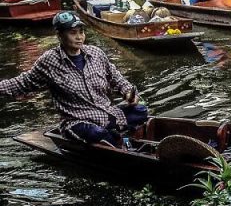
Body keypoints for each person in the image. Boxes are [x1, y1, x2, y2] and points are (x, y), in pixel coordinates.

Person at [0, 11, 143, 144]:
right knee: (96, 133)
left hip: (104, 114)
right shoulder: (49, 61)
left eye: (81, 32)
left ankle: (114, 134)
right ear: (60, 35)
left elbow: (116, 78)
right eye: (73, 33)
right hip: (77, 121)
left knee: (141, 111)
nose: (79, 37)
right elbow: (22, 83)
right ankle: (117, 138)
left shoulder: (96, 53)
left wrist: (127, 91)